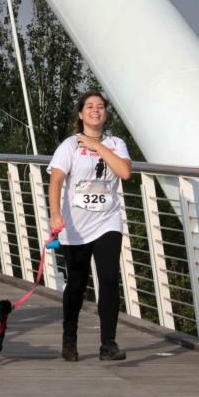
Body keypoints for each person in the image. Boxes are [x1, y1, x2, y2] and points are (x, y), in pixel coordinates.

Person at [47, 90, 132, 362]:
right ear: (81, 114)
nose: (96, 110)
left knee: (108, 279)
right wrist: (55, 214)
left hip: (108, 220)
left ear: (105, 113)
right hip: (76, 226)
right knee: (77, 283)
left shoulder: (116, 143)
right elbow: (56, 181)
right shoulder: (69, 146)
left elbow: (125, 172)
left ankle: (108, 344)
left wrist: (98, 147)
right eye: (90, 106)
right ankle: (69, 338)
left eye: (100, 107)